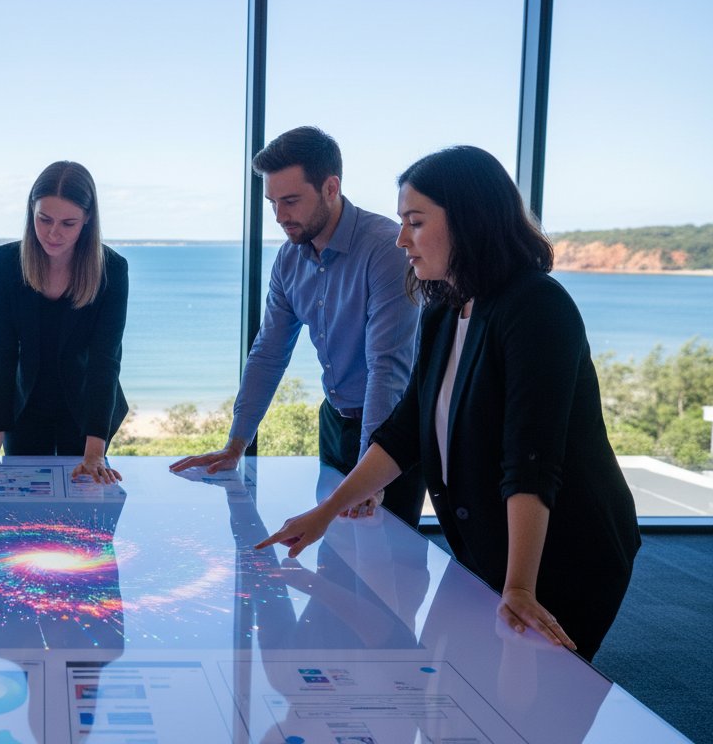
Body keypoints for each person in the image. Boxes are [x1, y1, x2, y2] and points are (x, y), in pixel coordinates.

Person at [258, 145, 640, 661]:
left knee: (529, 716)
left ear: (469, 221)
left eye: (415, 222)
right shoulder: (444, 309)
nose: (401, 240)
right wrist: (326, 511)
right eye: (400, 222)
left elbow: (530, 459)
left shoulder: (537, 308)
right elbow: (403, 431)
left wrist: (521, 585)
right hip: (489, 548)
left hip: (562, 553)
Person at [170, 126, 423, 526]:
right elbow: (268, 353)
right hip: (334, 420)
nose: (279, 216)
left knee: (388, 573)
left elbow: (387, 369)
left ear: (330, 187)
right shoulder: (288, 260)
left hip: (393, 434)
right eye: (272, 202)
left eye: (290, 200)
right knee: (334, 560)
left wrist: (369, 479)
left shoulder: (386, 250)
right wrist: (236, 444)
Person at [0, 161, 128, 483]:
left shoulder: (112, 269)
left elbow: (106, 361)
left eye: (68, 223)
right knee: (16, 518)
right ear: (31, 211)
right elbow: (2, 352)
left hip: (87, 410)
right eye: (44, 219)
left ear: (87, 221)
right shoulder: (6, 263)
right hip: (24, 406)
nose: (53, 233)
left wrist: (95, 450)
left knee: (87, 514)